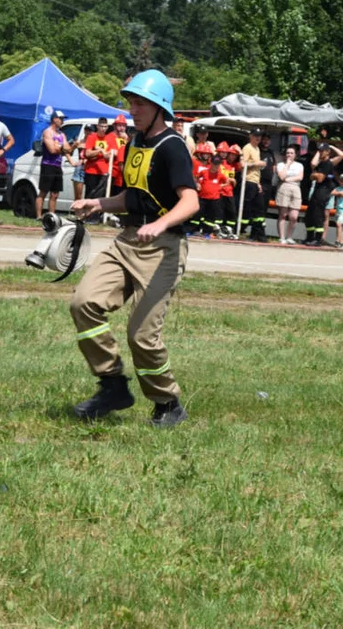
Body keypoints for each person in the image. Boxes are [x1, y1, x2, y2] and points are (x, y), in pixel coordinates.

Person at [69, 69, 199, 428]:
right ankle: (112, 385)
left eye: (140, 103)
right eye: (130, 102)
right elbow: (133, 195)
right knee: (84, 304)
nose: (132, 109)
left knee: (141, 335)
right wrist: (99, 205)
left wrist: (160, 223)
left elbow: (190, 202)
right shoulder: (134, 143)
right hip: (127, 241)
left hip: (161, 250)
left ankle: (167, 403)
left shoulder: (173, 147)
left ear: (160, 108)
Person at [304, 142, 343, 246]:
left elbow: (320, 178)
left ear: (328, 152)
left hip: (323, 191)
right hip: (317, 191)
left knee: (318, 215)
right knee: (309, 215)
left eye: (322, 151)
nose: (320, 152)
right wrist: (314, 175)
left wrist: (314, 175)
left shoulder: (328, 163)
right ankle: (309, 237)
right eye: (319, 150)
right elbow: (312, 172)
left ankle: (318, 239)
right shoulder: (320, 163)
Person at [38, 110, 70, 219]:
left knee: (55, 194)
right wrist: (61, 148)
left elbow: (68, 149)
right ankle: (38, 215)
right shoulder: (48, 132)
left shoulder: (62, 134)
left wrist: (59, 147)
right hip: (48, 164)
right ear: (54, 119)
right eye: (60, 119)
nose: (62, 121)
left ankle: (52, 216)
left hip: (57, 165)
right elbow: (51, 150)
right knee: (43, 191)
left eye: (63, 119)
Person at [240, 128, 269, 241]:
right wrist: (257, 163)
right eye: (256, 135)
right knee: (249, 209)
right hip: (248, 181)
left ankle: (257, 233)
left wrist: (258, 183)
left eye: (259, 136)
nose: (258, 138)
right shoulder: (247, 148)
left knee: (259, 208)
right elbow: (243, 164)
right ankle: (241, 230)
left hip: (255, 182)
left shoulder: (257, 149)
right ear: (250, 136)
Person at [274, 144, 304, 245]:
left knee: (294, 216)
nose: (289, 155)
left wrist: (288, 178)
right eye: (287, 153)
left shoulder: (299, 165)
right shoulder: (280, 165)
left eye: (291, 153)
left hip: (295, 188)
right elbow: (281, 176)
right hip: (284, 188)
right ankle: (282, 237)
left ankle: (289, 236)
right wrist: (287, 164)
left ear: (295, 155)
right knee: (283, 214)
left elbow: (300, 177)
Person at [83, 117, 115, 200]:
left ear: (107, 127)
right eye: (101, 126)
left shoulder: (110, 138)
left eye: (105, 126)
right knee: (90, 195)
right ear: (97, 126)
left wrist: (101, 151)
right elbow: (87, 153)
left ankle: (99, 213)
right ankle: (87, 212)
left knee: (101, 196)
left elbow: (109, 156)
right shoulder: (92, 137)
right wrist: (100, 151)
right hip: (91, 171)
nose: (103, 129)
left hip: (104, 171)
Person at [196, 154, 228, 237]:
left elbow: (227, 181)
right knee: (198, 214)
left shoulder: (220, 175)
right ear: (211, 163)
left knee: (210, 217)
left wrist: (221, 186)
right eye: (215, 164)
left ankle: (207, 232)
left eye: (218, 164)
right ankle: (194, 230)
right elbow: (196, 177)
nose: (216, 166)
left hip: (214, 199)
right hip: (203, 198)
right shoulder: (204, 172)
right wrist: (197, 184)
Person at [218, 143, 241, 238]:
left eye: (235, 155)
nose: (233, 157)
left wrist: (241, 153)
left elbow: (244, 165)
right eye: (232, 154)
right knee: (219, 213)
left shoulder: (234, 165)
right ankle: (218, 231)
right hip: (220, 192)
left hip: (229, 193)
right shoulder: (220, 162)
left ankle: (229, 231)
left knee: (232, 213)